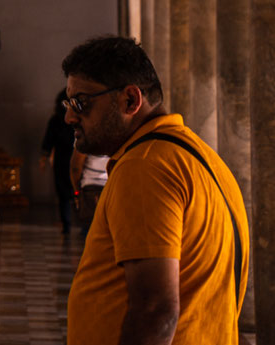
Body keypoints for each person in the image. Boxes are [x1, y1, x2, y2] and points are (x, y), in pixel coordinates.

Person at [62, 36, 249, 345]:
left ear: (130, 101)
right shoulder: (197, 156)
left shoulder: (145, 167)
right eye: (69, 104)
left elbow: (155, 311)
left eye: (82, 103)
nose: (70, 116)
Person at [40, 90, 75, 235]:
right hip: (75, 158)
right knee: (76, 190)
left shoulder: (56, 119)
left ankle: (66, 224)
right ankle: (84, 224)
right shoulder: (78, 119)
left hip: (61, 159)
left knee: (63, 194)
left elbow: (48, 140)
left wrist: (44, 157)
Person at [70, 150, 109, 239]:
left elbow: (75, 167)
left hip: (90, 188)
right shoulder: (119, 136)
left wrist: (76, 191)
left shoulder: (86, 137)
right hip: (111, 186)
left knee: (89, 228)